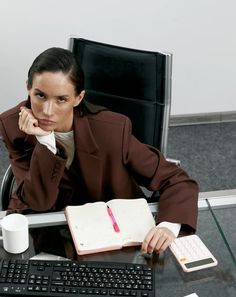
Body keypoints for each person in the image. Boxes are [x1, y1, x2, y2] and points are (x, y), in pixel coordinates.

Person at [0, 47, 198, 255]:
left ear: (78, 99)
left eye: (61, 99)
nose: (48, 111)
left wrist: (168, 225)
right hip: (51, 224)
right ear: (28, 88)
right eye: (40, 95)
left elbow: (176, 180)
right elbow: (39, 201)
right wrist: (45, 142)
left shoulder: (111, 129)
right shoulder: (13, 125)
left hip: (109, 230)